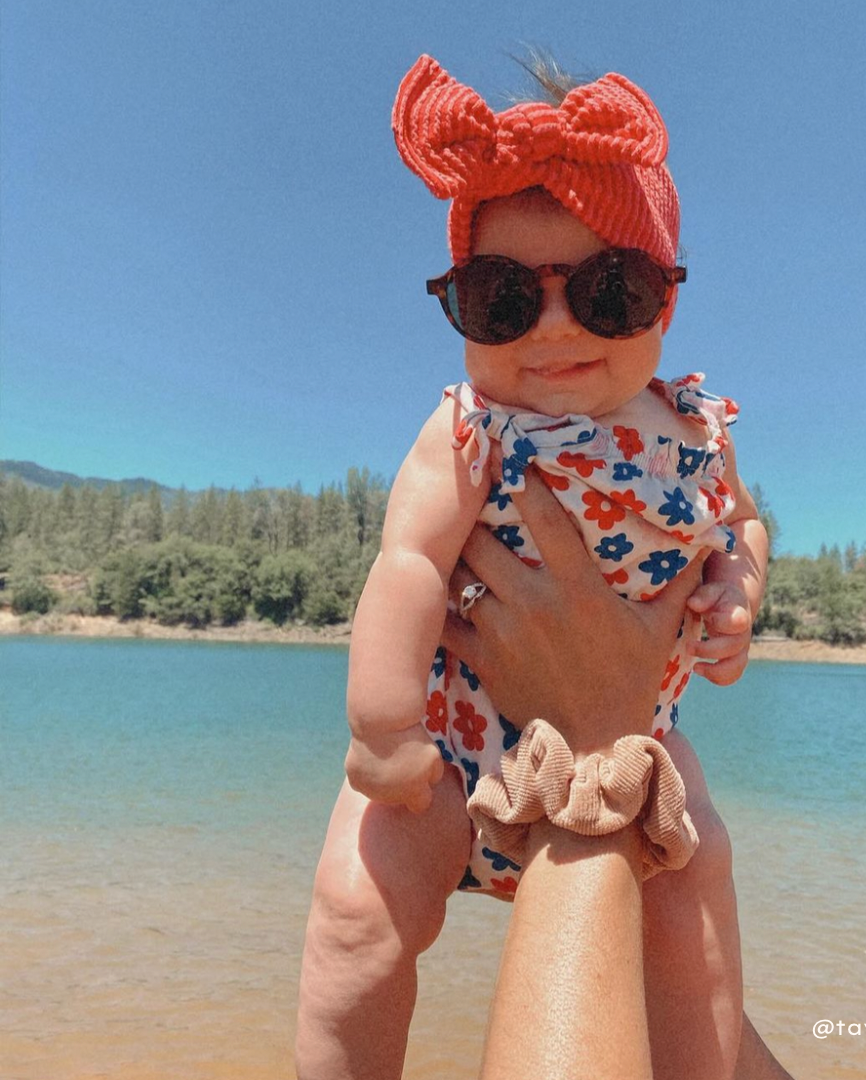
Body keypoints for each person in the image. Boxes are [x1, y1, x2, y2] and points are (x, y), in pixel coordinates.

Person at [295, 53, 770, 1080]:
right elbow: (410, 563)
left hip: (638, 742)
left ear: (667, 303)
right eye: (501, 299)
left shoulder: (695, 425)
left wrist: (741, 584)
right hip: (454, 748)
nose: (556, 329)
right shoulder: (471, 428)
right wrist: (381, 731)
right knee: (354, 924)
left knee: (695, 944)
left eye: (610, 289)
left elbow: (736, 523)